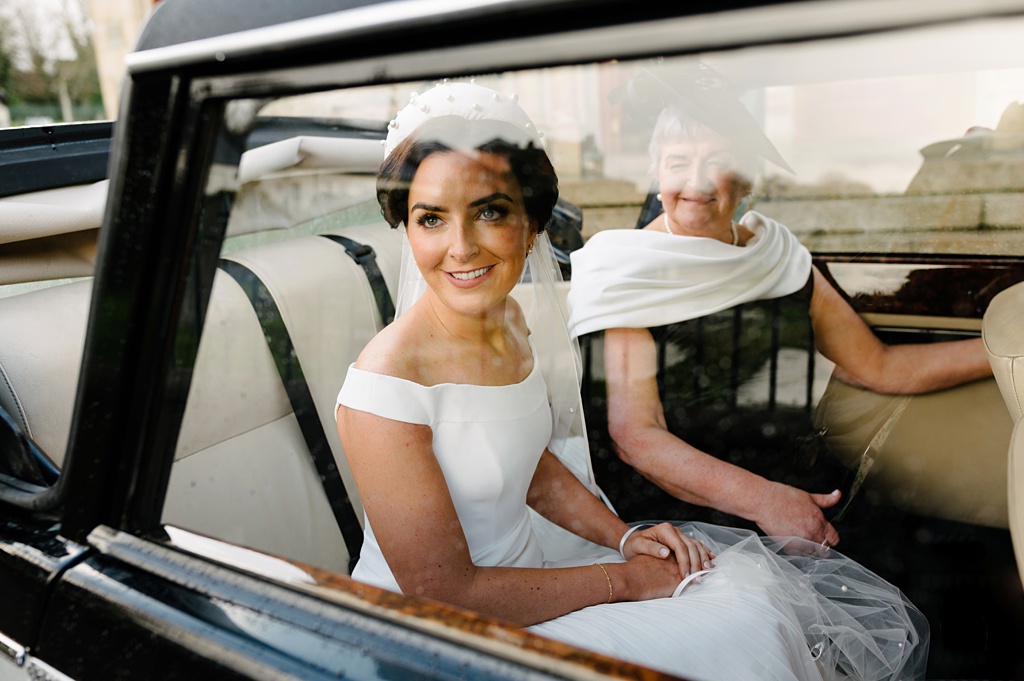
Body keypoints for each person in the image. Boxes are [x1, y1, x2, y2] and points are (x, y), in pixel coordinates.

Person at [335, 80, 927, 681]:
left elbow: (529, 467)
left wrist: (623, 538)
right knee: (735, 631)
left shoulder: (509, 323)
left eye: (489, 211)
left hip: (531, 586)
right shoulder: (385, 385)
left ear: (532, 222)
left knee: (740, 595)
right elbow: (445, 594)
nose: (460, 247)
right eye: (431, 218)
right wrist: (623, 580)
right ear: (407, 230)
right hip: (442, 635)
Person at [566, 72, 994, 550]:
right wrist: (768, 503)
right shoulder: (624, 268)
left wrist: (1002, 350)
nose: (696, 181)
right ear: (658, 174)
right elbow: (637, 437)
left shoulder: (777, 256)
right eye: (678, 163)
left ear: (749, 179)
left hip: (795, 487)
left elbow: (879, 368)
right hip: (682, 522)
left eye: (718, 163)